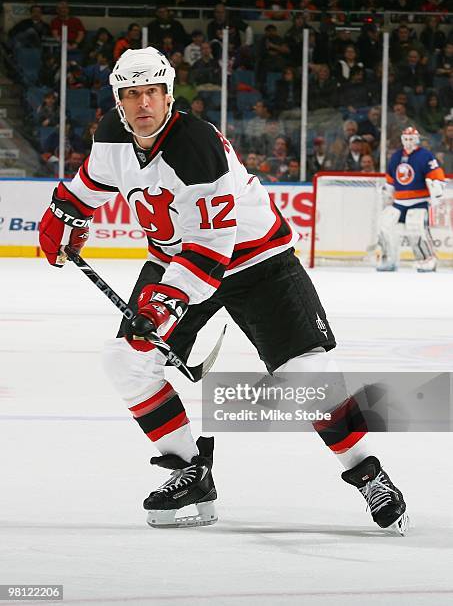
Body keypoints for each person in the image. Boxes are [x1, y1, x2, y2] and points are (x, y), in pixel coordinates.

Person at [38, 47, 408, 534]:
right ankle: (190, 469)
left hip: (257, 263)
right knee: (126, 360)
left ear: (168, 95)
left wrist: (166, 301)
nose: (142, 103)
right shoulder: (112, 133)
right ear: (119, 100)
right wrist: (66, 211)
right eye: (131, 94)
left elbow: (214, 245)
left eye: (151, 92)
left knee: (309, 379)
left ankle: (368, 475)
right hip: (176, 259)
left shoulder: (196, 146)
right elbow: (93, 181)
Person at [377, 126, 446, 273]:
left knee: (416, 228)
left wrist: (437, 187)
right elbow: (390, 180)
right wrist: (387, 192)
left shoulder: (425, 155)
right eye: (406, 139)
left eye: (411, 139)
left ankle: (426, 259)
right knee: (385, 225)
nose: (408, 142)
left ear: (417, 140)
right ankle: (389, 258)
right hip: (399, 202)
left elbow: (436, 175)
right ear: (402, 139)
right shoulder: (395, 157)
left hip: (419, 201)